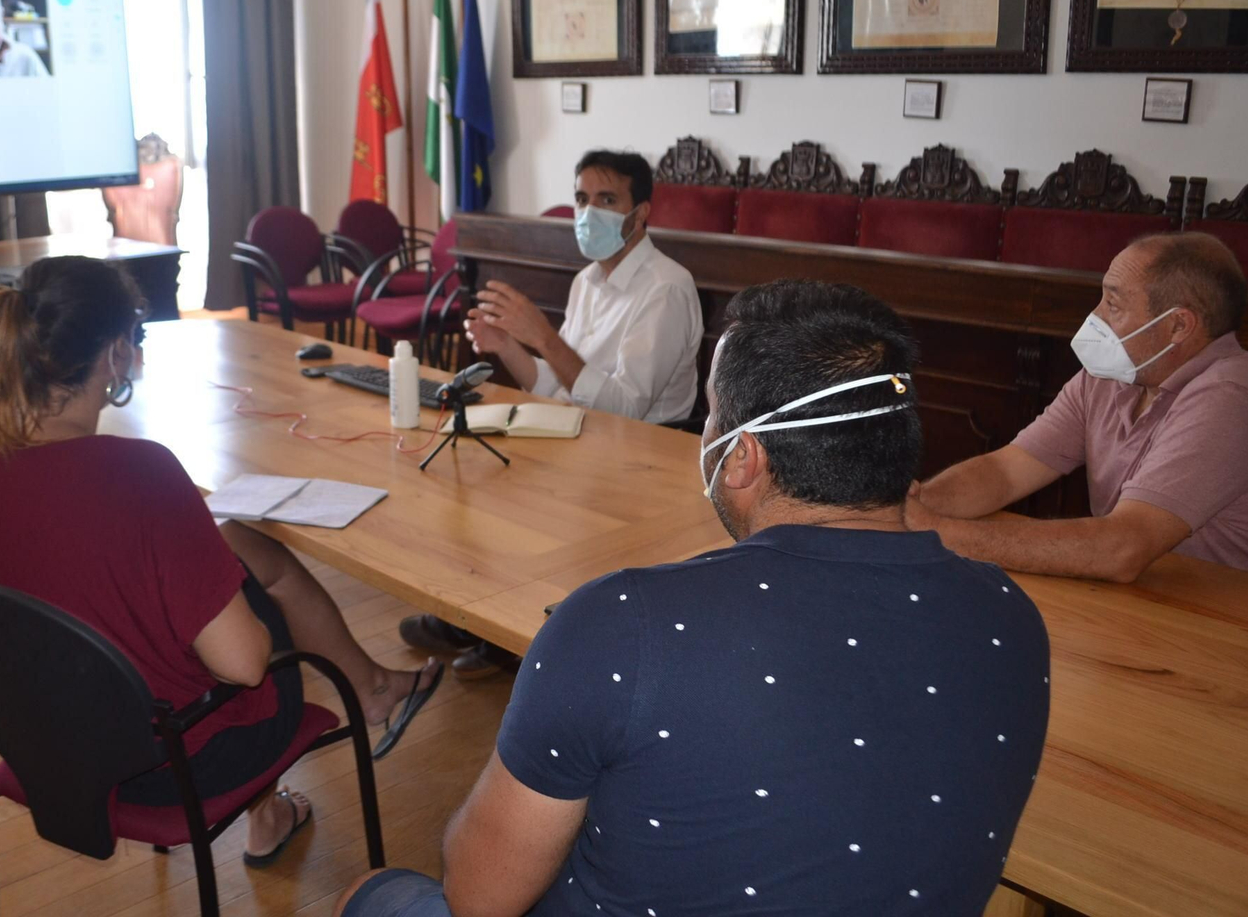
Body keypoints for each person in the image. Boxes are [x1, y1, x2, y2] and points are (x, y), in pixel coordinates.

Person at [337, 280, 1051, 917]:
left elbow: (477, 895)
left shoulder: (620, 627)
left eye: (710, 415)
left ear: (741, 456)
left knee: (370, 892)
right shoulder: (1011, 619)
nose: (703, 433)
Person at [0, 257, 441, 867]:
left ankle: (344, 720)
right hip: (170, 762)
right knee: (257, 595)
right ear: (112, 354)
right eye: (136, 337)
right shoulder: (140, 476)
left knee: (241, 547)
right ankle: (343, 718)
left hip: (37, 742)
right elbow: (243, 665)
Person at [401, 149, 703, 679]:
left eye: (607, 199)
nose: (590, 212)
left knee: (522, 497)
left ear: (642, 212)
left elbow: (625, 407)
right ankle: (485, 620)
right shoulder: (588, 281)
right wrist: (506, 345)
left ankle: (515, 638)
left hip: (645, 456)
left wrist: (540, 333)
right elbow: (557, 386)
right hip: (588, 438)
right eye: (582, 199)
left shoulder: (667, 288)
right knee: (484, 481)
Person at [906, 233, 1248, 579]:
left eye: (1113, 306)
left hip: (1217, 617)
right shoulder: (1110, 376)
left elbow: (1122, 548)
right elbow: (1007, 471)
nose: (1095, 317)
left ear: (1178, 326)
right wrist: (908, 507)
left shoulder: (1231, 397)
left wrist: (937, 532)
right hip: (1139, 598)